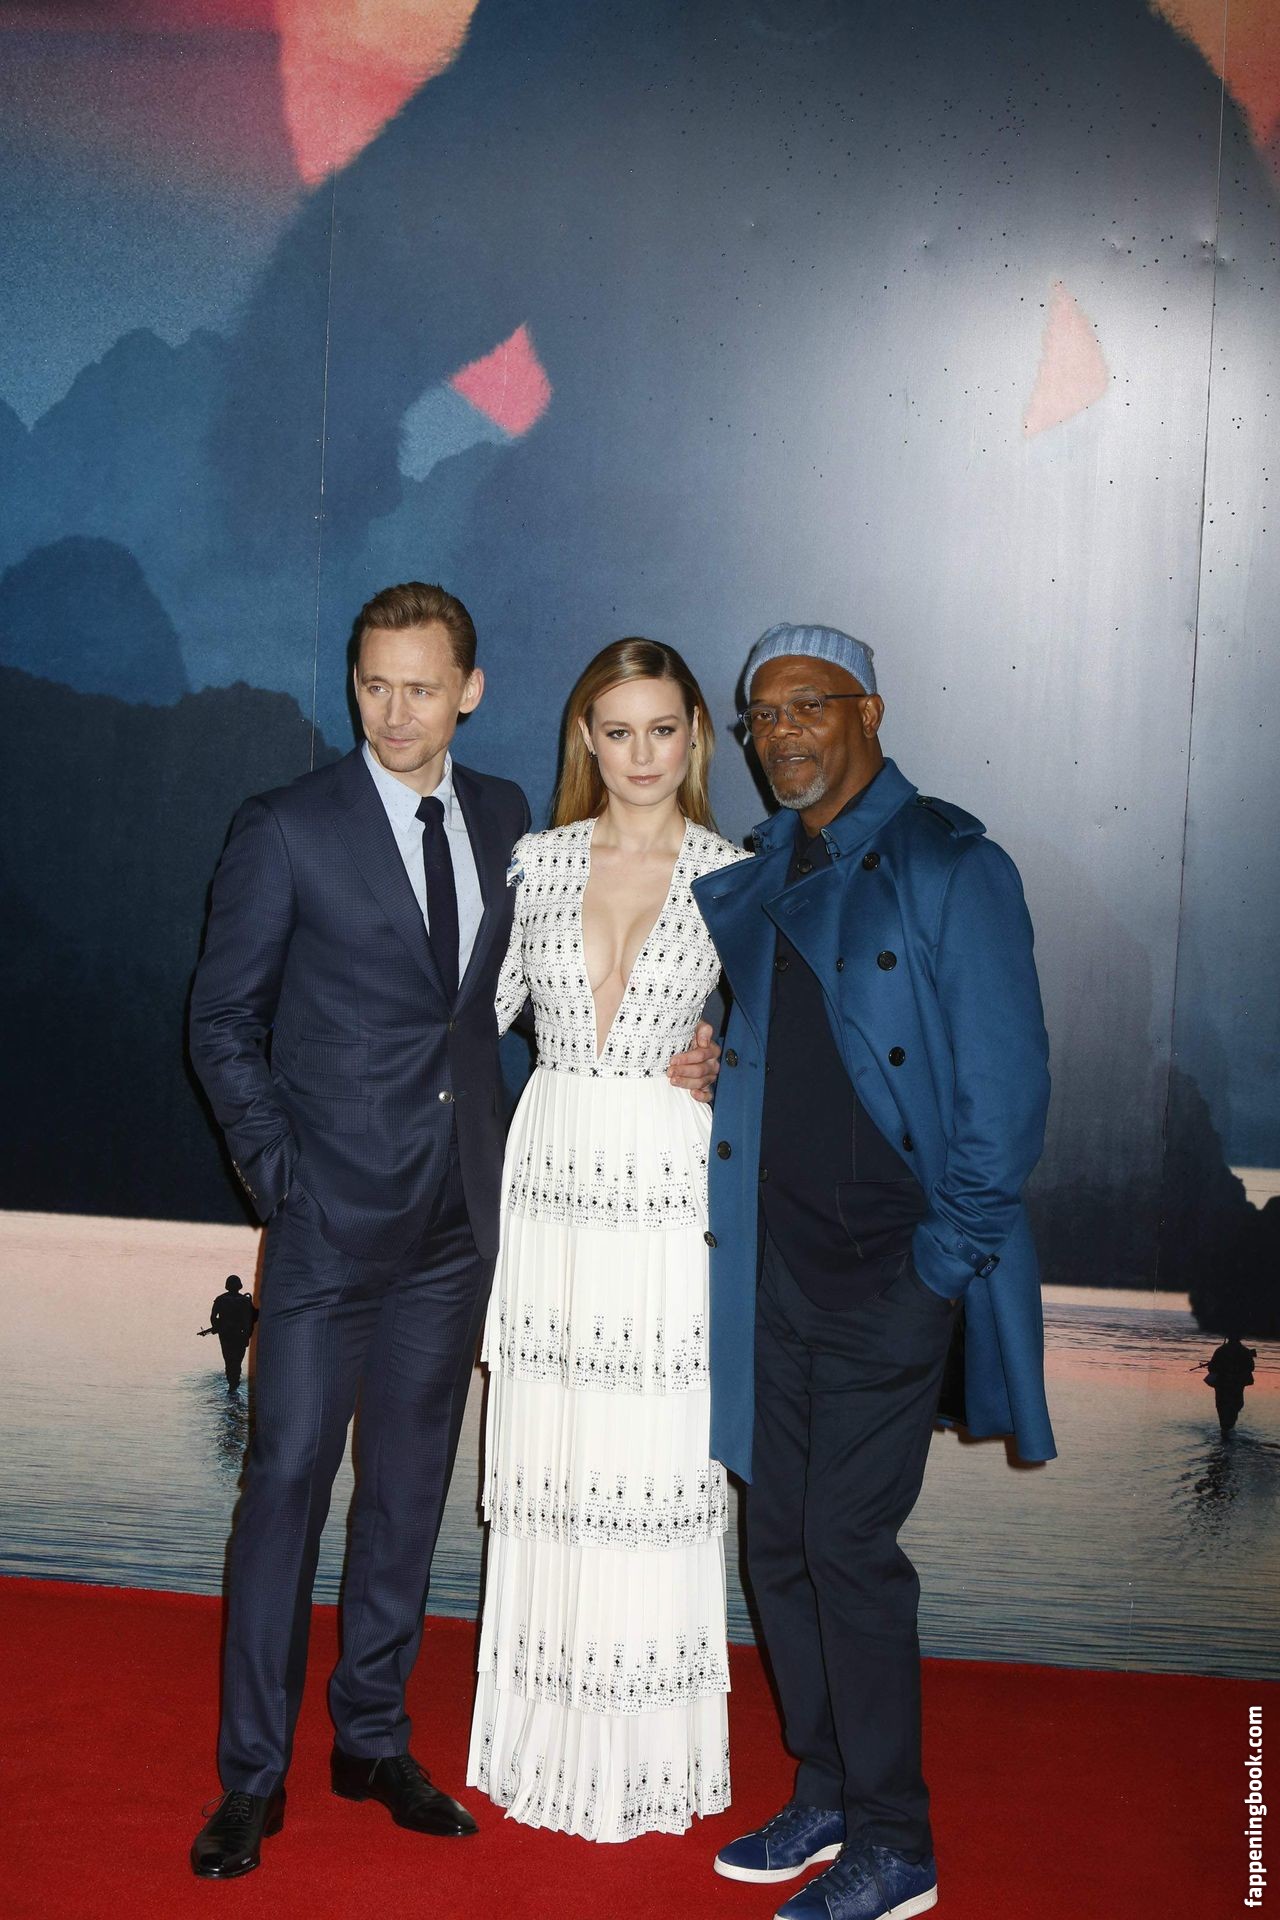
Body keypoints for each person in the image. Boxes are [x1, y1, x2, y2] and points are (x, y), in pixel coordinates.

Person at [186, 579, 724, 1880]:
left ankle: (370, 1737)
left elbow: (510, 1006)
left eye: (423, 688)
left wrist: (702, 1048)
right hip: (327, 1220)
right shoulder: (287, 827)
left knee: (410, 1490)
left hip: (461, 1224)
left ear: (469, 692)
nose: (396, 711)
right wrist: (282, 1179)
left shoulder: (502, 820)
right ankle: (252, 1775)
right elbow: (221, 1022)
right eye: (375, 685)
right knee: (285, 1486)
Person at [692, 623, 1055, 1920]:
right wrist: (716, 1064)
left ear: (870, 711)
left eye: (810, 705)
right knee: (778, 1541)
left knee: (846, 1545)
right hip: (775, 1267)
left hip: (889, 1277)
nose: (781, 732)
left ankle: (897, 1843)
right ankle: (830, 1788)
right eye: (762, 715)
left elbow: (1006, 1096)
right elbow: (794, 1051)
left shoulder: (952, 863)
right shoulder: (766, 868)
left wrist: (939, 1266)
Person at [466, 638, 749, 1841]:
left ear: (694, 737)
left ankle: (647, 1758)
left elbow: (786, 1042)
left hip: (666, 1187)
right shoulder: (535, 862)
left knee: (654, 1454)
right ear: (586, 736)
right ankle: (540, 1743)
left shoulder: (737, 877)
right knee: (558, 1456)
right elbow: (465, 1018)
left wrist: (725, 1062)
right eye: (617, 731)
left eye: (661, 730)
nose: (641, 755)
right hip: (551, 1177)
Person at [201, 1274, 258, 1394]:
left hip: (225, 1335)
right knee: (237, 1361)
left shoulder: (220, 1299)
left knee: (228, 1360)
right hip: (241, 1335)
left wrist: (216, 1327)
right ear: (240, 1286)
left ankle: (232, 1384)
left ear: (227, 1286)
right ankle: (234, 1383)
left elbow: (213, 1317)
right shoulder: (245, 1300)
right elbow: (254, 1317)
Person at [1200, 1334, 1257, 1435]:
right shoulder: (1244, 1351)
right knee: (1235, 1406)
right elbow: (1251, 1367)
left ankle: (1225, 1430)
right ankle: (1229, 1428)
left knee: (1222, 1407)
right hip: (1237, 1385)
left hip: (1222, 1385)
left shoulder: (1221, 1350)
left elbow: (1212, 1368)